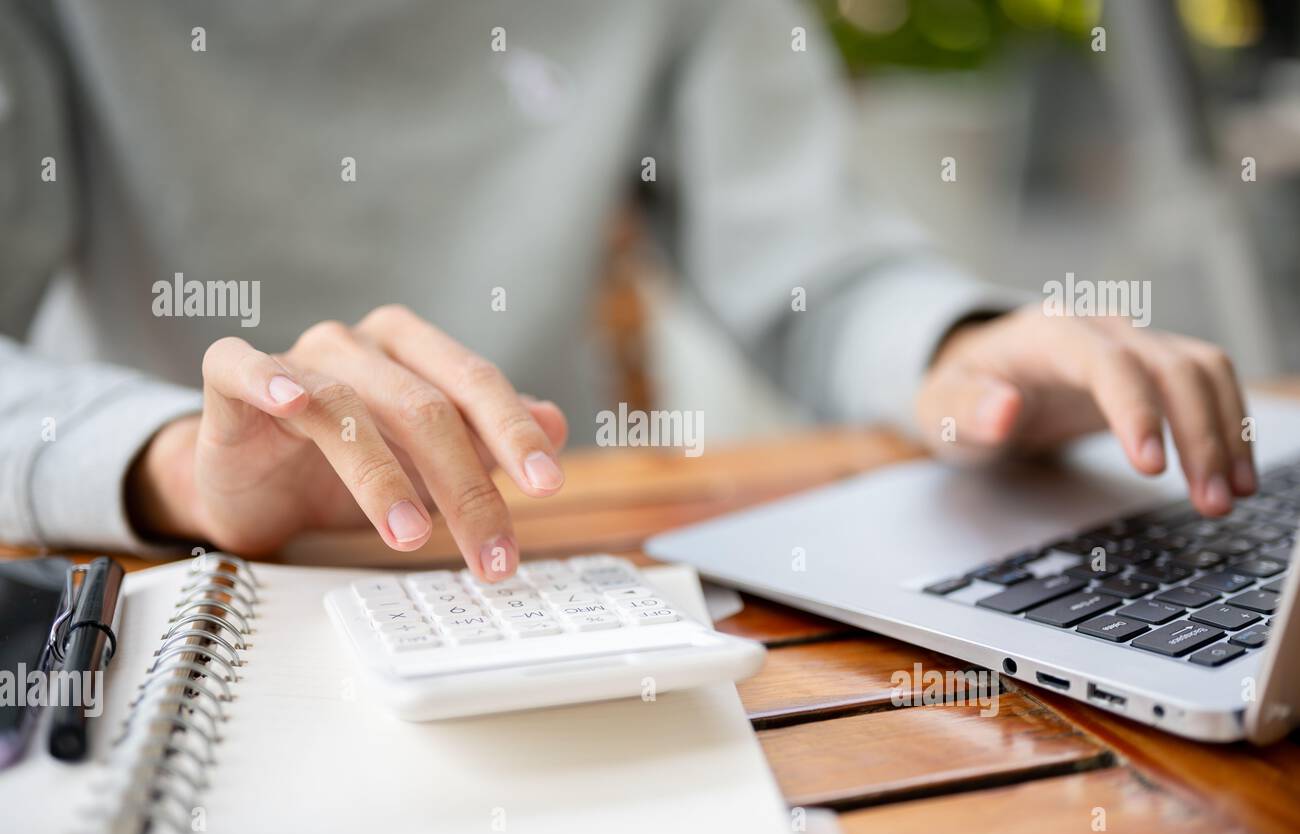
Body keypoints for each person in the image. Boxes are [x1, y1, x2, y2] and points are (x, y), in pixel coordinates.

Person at [0, 1, 1255, 582]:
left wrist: (961, 348)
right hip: (160, 578)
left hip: (546, 568)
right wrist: (171, 462)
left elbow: (809, 262)